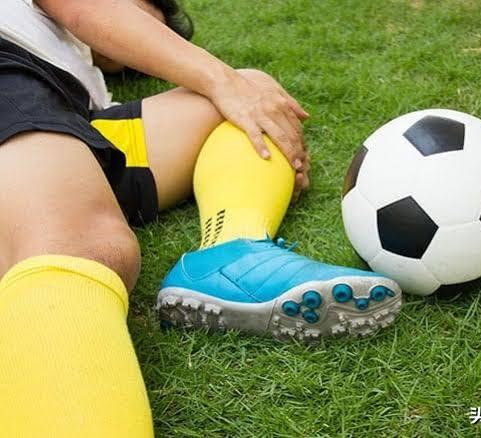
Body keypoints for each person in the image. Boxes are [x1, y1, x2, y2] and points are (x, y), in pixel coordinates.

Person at [0, 0, 402, 435]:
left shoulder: (82, 70)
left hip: (73, 119)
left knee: (257, 94)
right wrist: (220, 79)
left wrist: (248, 101)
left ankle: (229, 251)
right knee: (72, 242)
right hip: (11, 74)